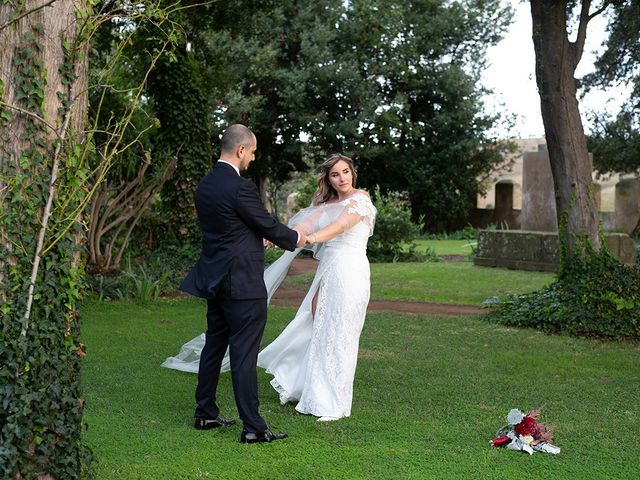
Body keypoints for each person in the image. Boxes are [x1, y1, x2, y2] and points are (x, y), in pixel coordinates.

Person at [164, 153, 376, 422]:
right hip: (328, 272)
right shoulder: (326, 204)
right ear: (328, 179)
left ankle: (334, 398)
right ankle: (312, 389)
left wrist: (304, 238)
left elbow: (339, 227)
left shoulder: (360, 200)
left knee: (342, 331)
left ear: (352, 173)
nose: (342, 178)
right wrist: (276, 237)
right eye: (335, 174)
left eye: (345, 171)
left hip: (350, 271)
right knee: (319, 324)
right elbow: (302, 224)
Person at [178, 124, 306, 444]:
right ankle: (254, 427)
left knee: (214, 347)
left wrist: (253, 238)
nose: (253, 157)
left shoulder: (205, 185)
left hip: (215, 279)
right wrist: (297, 238)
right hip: (243, 284)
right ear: (240, 150)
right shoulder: (240, 187)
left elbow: (227, 227)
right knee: (245, 354)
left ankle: (205, 413)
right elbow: (267, 224)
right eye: (252, 151)